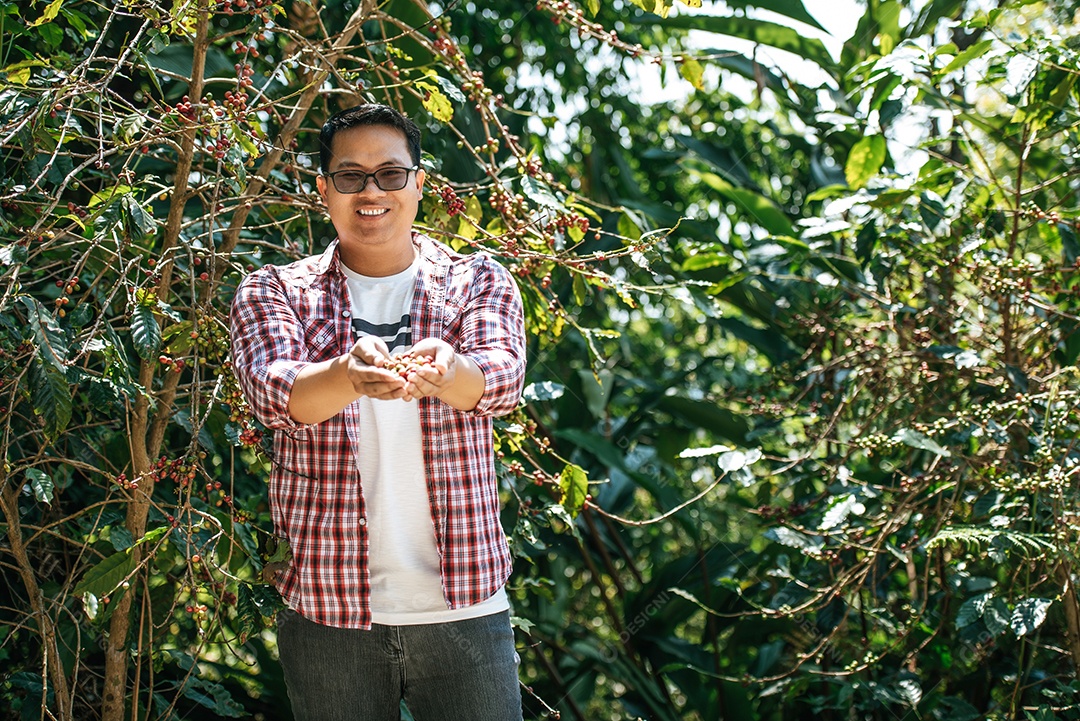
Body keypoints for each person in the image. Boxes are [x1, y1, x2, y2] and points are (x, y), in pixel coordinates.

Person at [229, 103, 526, 720]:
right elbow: (272, 393)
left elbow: (500, 380)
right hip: (324, 608)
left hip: (464, 607)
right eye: (351, 176)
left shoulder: (477, 280)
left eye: (392, 174)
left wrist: (449, 368)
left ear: (419, 185)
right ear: (323, 189)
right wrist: (346, 375)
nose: (372, 191)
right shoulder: (273, 290)